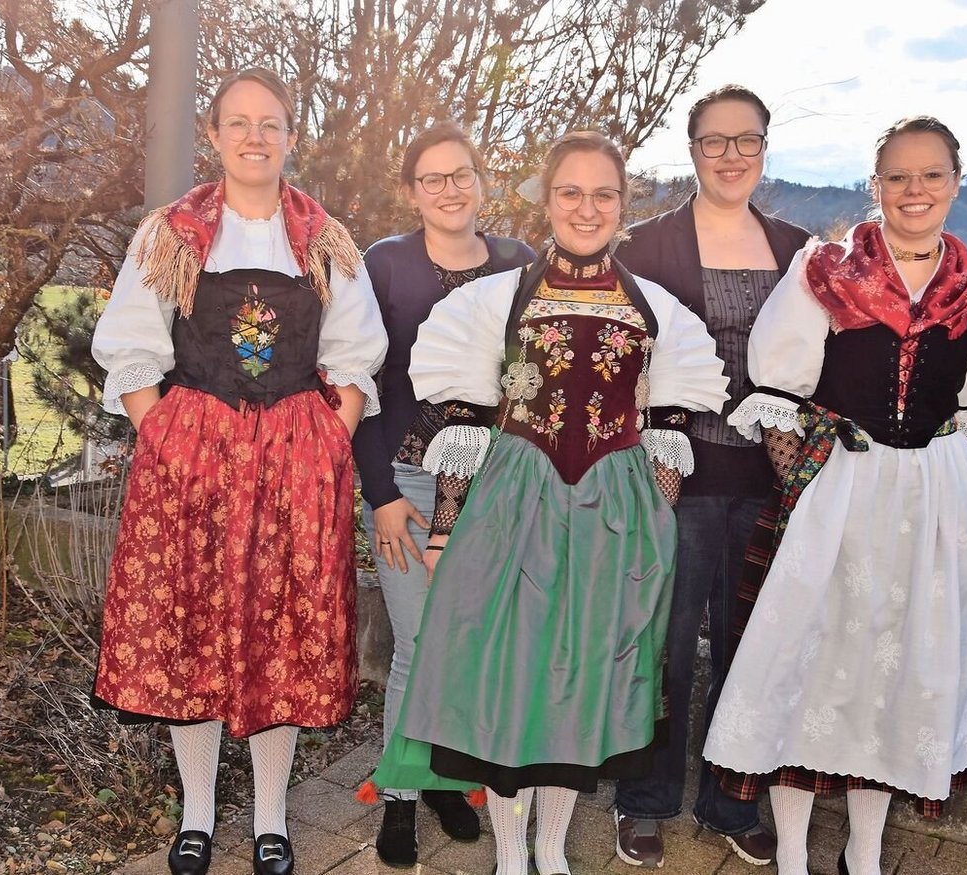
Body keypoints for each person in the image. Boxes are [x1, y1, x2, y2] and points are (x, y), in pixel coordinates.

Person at [367, 131, 729, 875]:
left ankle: (554, 852)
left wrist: (656, 526)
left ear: (622, 206)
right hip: (513, 508)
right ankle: (509, 856)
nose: (586, 207)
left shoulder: (657, 310)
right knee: (510, 683)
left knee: (585, 684)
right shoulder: (496, 299)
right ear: (546, 199)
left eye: (603, 194)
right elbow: (465, 420)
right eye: (571, 192)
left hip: (614, 516)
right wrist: (443, 534)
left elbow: (667, 428)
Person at [702, 116, 967, 875]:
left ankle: (865, 852)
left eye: (932, 175)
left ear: (955, 180)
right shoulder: (825, 271)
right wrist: (808, 494)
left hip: (931, 507)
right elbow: (779, 390)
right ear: (874, 185)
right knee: (804, 669)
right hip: (837, 497)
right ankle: (789, 855)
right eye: (899, 176)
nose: (915, 191)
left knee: (897, 673)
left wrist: (960, 513)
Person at [89, 67, 387, 875]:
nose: (256, 137)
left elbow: (354, 352)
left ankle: (270, 819)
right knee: (192, 631)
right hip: (192, 463)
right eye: (240, 123)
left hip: (295, 462)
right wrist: (167, 437)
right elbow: (130, 339)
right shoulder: (173, 231)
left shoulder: (323, 235)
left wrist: (331, 438)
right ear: (215, 135)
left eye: (272, 124)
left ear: (292, 137)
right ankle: (194, 814)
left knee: (279, 635)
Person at [610, 84, 810, 868]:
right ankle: (645, 798)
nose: (732, 155)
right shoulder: (647, 244)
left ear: (765, 147)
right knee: (661, 646)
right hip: (673, 478)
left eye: (747, 140)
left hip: (768, 481)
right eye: (714, 140)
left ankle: (733, 800)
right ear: (691, 148)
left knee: (748, 645)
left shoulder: (797, 250)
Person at [351, 123, 535, 867]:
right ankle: (399, 794)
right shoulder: (385, 264)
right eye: (433, 179)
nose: (450, 189)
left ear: (481, 180)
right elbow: (357, 382)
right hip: (408, 484)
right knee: (419, 642)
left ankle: (448, 780)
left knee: (469, 644)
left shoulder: (520, 262)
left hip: (494, 487)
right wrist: (382, 494)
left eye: (462, 174)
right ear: (411, 192)